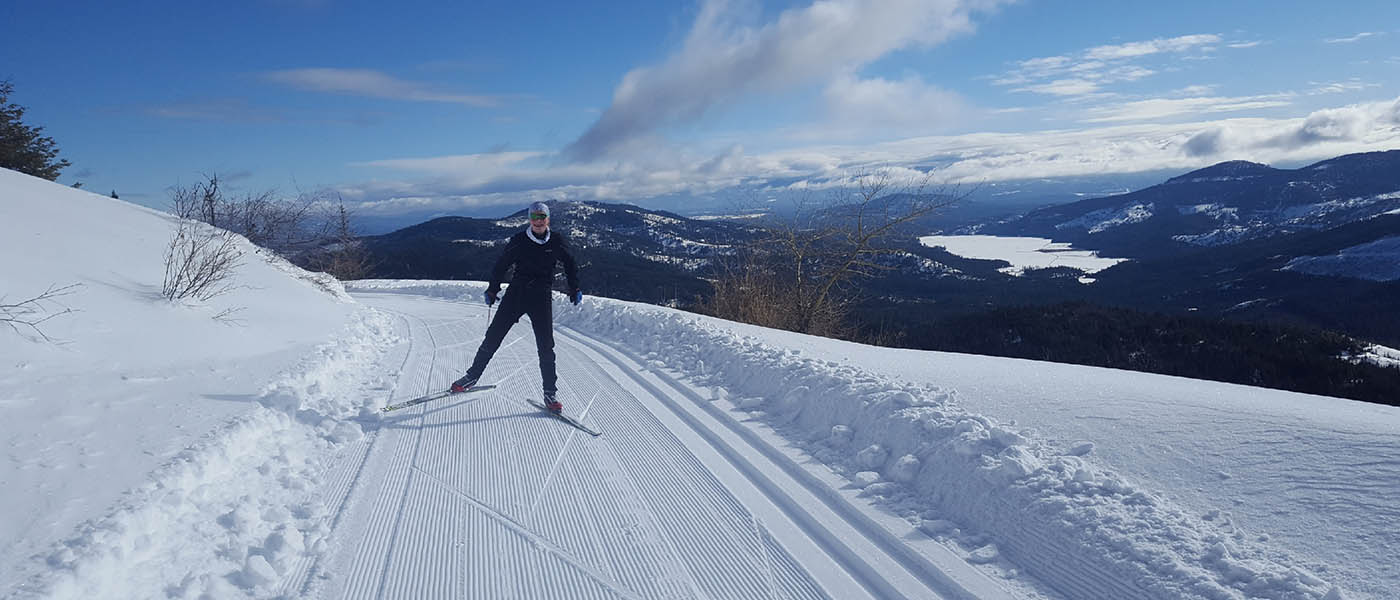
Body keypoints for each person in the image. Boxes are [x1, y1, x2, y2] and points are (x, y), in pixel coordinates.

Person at [450, 201, 581, 413]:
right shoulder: (519, 240)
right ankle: (471, 377)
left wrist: (574, 288)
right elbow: (501, 265)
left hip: (541, 297)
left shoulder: (557, 241)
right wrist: (493, 289)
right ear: (529, 220)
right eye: (534, 217)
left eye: (542, 217)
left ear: (548, 219)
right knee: (493, 337)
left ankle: (550, 393)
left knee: (546, 347)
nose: (538, 222)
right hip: (517, 294)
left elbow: (570, 265)